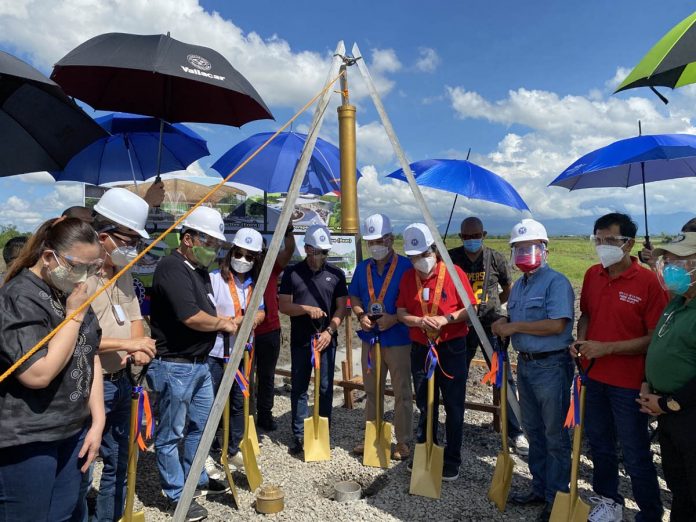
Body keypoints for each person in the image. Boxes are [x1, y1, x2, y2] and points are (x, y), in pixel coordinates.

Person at [0, 217, 105, 521]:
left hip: (71, 429)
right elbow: (37, 374)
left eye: (92, 267)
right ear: (49, 258)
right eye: (78, 266)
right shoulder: (20, 296)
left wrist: (97, 419)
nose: (85, 276)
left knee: (65, 514)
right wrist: (74, 315)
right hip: (28, 437)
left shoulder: (71, 293)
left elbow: (90, 353)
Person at [570, 213, 665, 522]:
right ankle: (609, 501)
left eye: (610, 240)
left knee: (635, 452)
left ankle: (650, 512)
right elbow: (586, 314)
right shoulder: (591, 275)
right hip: (594, 374)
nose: (603, 245)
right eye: (598, 239)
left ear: (629, 244)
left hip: (628, 382)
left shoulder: (649, 282)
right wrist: (581, 339)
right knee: (599, 445)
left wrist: (607, 348)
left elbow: (652, 339)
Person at [147, 206, 234, 521]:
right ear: (187, 238)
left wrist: (221, 321)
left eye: (216, 244)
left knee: (200, 426)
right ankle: (175, 495)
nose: (213, 248)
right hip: (176, 364)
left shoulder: (197, 272)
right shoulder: (172, 267)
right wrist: (225, 324)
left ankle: (195, 477)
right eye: (207, 241)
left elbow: (204, 311)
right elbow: (192, 317)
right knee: (171, 431)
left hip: (199, 364)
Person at [76, 188, 157, 522]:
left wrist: (139, 346)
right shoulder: (79, 280)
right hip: (91, 386)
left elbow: (136, 322)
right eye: (128, 240)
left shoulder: (123, 277)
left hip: (123, 382)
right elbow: (78, 340)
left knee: (120, 462)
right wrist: (130, 345)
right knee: (81, 468)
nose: (133, 248)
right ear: (104, 237)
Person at [492, 218, 574, 522]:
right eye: (519, 248)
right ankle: (539, 487)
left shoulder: (557, 283)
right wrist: (502, 325)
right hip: (524, 364)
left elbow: (557, 324)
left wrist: (514, 325)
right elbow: (509, 319)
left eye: (531, 247)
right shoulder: (520, 287)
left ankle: (557, 496)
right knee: (535, 432)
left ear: (544, 249)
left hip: (551, 366)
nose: (525, 253)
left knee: (555, 435)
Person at [396, 223, 476, 482]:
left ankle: (452, 459)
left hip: (451, 347)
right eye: (413, 257)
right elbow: (400, 312)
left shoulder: (454, 273)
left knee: (453, 404)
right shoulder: (408, 278)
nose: (419, 261)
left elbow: (470, 309)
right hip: (421, 348)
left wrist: (446, 319)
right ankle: (426, 451)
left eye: (423, 255)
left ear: (434, 250)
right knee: (425, 402)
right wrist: (419, 321)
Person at [448, 216, 528, 455]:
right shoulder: (451, 258)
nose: (471, 240)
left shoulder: (495, 258)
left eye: (476, 236)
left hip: (491, 325)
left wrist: (492, 306)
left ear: (484, 235)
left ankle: (516, 432)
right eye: (466, 236)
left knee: (503, 377)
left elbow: (509, 288)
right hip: (462, 325)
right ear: (461, 237)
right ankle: (454, 426)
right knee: (456, 374)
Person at [639, 231, 696, 522]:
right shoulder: (677, 303)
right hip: (668, 414)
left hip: (687, 414)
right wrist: (649, 384)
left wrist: (669, 402)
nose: (671, 267)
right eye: (668, 261)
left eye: (679, 261)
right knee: (679, 487)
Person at [279, 224, 348, 456]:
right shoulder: (293, 273)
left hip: (326, 339)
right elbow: (284, 305)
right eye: (319, 252)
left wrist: (330, 331)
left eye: (326, 252)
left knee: (326, 387)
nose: (323, 257)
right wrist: (307, 308)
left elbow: (341, 309)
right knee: (299, 387)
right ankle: (299, 434)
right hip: (301, 340)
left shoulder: (336, 275)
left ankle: (322, 429)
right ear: (308, 249)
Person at [349, 214, 413, 460]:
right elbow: (354, 296)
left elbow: (412, 302)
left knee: (401, 392)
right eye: (370, 241)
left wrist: (394, 318)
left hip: (398, 338)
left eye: (379, 239)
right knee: (372, 391)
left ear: (391, 239)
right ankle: (372, 437)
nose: (375, 245)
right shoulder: (362, 267)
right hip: (370, 339)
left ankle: (403, 441)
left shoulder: (406, 266)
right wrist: (360, 314)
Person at [206, 228, 265, 474]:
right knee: (212, 404)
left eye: (250, 257)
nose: (243, 260)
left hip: (241, 353)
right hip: (215, 352)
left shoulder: (254, 283)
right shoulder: (213, 279)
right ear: (231, 252)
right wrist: (233, 320)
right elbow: (208, 313)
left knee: (239, 403)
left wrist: (253, 319)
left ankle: (232, 448)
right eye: (239, 253)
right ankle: (208, 452)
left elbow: (261, 311)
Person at [253, 223, 296, 432]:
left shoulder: (270, 268)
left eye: (259, 252)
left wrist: (288, 231)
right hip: (243, 334)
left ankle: (265, 414)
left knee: (267, 375)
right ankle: (241, 415)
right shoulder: (235, 273)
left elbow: (289, 250)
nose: (254, 257)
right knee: (241, 377)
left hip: (269, 331)